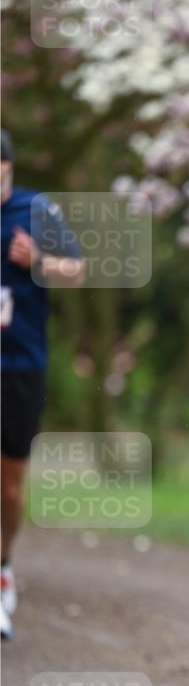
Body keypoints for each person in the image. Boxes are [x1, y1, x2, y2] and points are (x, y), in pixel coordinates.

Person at [1, 129, 85, 639]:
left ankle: (3, 566)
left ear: (8, 167)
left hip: (19, 366)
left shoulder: (36, 210)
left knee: (9, 481)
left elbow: (76, 270)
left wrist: (38, 263)